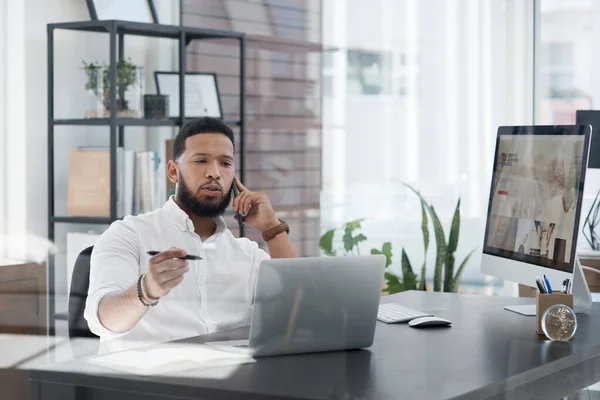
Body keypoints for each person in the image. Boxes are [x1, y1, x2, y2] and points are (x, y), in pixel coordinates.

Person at [84, 117, 297, 354]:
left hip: (229, 381)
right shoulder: (129, 235)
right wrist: (147, 290)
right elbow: (104, 321)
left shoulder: (247, 255)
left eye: (225, 164)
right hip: (151, 383)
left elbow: (298, 312)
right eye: (201, 161)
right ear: (173, 172)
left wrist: (272, 228)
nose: (214, 173)